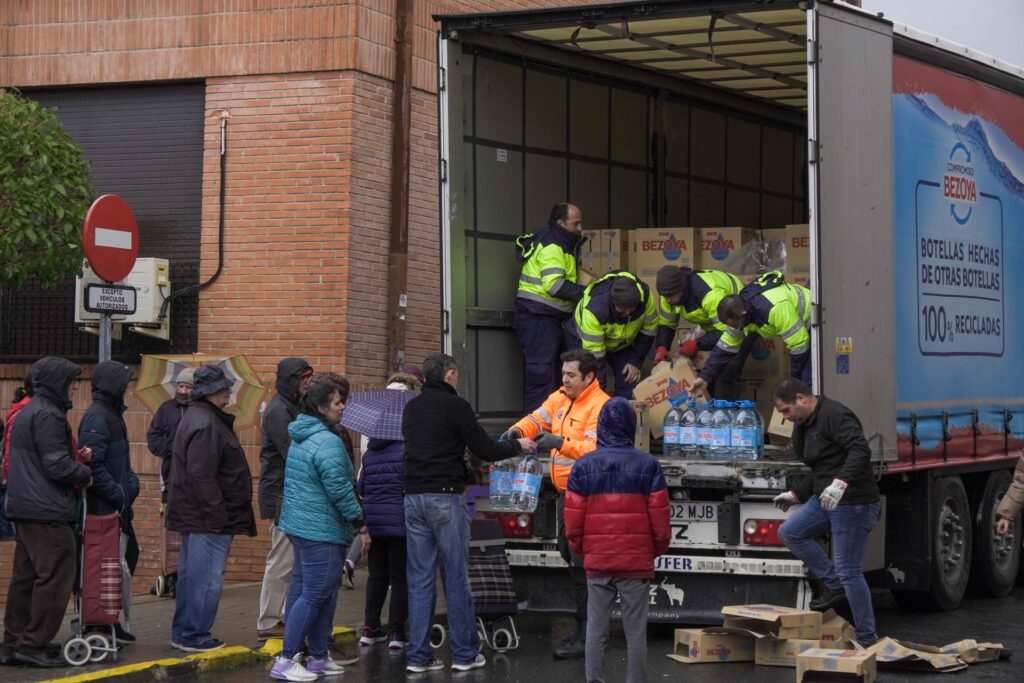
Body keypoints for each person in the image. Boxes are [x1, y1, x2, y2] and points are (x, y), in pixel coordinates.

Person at [401, 353, 536, 673]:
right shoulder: (456, 407)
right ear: (449, 374)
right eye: (456, 374)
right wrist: (520, 446)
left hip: (412, 497)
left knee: (419, 580)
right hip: (445, 498)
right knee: (457, 576)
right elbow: (485, 450)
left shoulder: (411, 407)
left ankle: (418, 657)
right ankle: (464, 654)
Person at [501, 349, 609, 658]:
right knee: (569, 554)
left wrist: (561, 443)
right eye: (563, 374)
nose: (565, 379)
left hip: (587, 496)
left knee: (581, 563)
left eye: (571, 375)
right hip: (567, 495)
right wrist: (519, 430)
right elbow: (537, 418)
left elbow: (594, 448)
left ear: (589, 377)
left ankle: (588, 633)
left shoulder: (600, 405)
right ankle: (588, 628)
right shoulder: (560, 398)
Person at [564, 397, 670, 683]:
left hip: (597, 561)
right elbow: (660, 519)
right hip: (635, 562)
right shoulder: (648, 465)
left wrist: (583, 551)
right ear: (630, 426)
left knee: (595, 631)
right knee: (636, 633)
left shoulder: (582, 467)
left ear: (601, 427)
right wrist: (654, 550)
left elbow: (572, 523)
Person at [771, 378, 880, 648]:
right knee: (790, 532)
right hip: (827, 498)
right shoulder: (803, 426)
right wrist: (796, 494)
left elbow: (860, 449)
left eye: (786, 410)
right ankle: (834, 584)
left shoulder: (834, 414)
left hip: (854, 501)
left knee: (850, 571)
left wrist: (841, 482)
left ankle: (867, 639)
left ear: (801, 398)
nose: (785, 418)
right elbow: (820, 469)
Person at [1, 357, 93, 668]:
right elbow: (56, 465)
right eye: (70, 382)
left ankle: (14, 643)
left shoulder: (28, 411)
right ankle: (33, 643)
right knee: (55, 576)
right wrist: (84, 473)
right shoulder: (49, 415)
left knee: (26, 578)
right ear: (57, 383)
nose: (74, 388)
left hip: (26, 506)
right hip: (47, 508)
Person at [270, 383, 363, 682]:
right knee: (316, 593)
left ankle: (318, 657)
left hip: (301, 525)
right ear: (322, 408)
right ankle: (286, 660)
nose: (342, 406)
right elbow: (339, 488)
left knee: (311, 590)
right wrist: (358, 518)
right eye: (337, 402)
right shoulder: (327, 441)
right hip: (320, 528)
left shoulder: (302, 434)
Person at [166, 364, 257, 652]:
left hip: (197, 515)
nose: (229, 390)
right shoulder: (206, 423)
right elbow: (202, 475)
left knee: (192, 577)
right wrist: (217, 513)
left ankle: (185, 632)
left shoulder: (202, 418)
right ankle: (195, 635)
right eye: (223, 387)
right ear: (210, 392)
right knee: (205, 578)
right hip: (207, 518)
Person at [79, 360, 140, 642]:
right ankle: (99, 623)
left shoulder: (111, 414)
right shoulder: (98, 417)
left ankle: (109, 620)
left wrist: (130, 485)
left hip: (116, 507)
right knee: (105, 566)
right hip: (104, 508)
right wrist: (118, 494)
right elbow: (94, 465)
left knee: (124, 560)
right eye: (124, 383)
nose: (127, 388)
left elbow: (118, 463)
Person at [354, 373, 417, 650]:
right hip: (401, 523)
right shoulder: (407, 450)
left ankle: (370, 627)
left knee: (377, 575)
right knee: (400, 577)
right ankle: (395, 632)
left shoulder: (370, 454)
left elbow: (361, 486)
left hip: (376, 524)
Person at [257, 357, 313, 640]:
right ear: (290, 381)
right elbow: (292, 451)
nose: (307, 382)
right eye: (303, 378)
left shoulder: (291, 406)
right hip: (281, 494)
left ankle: (278, 616)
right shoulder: (280, 411)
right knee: (281, 558)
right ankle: (268, 620)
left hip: (285, 491)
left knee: (289, 559)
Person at [514, 202, 587, 413]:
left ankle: (549, 428)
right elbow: (555, 285)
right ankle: (535, 434)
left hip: (548, 319)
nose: (580, 228)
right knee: (542, 377)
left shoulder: (561, 243)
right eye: (576, 223)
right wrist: (586, 293)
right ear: (560, 223)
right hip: (538, 319)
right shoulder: (553, 245)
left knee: (555, 377)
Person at [690, 270, 811, 396]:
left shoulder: (773, 308)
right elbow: (724, 349)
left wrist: (795, 379)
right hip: (799, 329)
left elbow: (799, 345)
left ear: (743, 315)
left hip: (814, 320)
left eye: (734, 325)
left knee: (807, 382)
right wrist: (704, 378)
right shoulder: (739, 315)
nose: (733, 329)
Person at [653, 265, 753, 400]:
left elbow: (726, 332)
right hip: (717, 325)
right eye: (664, 296)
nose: (667, 300)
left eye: (670, 296)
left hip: (740, 318)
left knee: (727, 371)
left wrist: (697, 344)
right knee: (707, 372)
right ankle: (710, 410)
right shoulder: (668, 296)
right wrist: (662, 346)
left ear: (681, 289)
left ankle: (724, 415)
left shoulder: (710, 295)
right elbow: (667, 323)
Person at [567, 270, 657, 398]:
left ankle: (620, 413)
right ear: (613, 303)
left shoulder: (645, 297)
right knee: (590, 386)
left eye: (631, 311)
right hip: (585, 342)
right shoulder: (594, 310)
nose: (627, 314)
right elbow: (595, 358)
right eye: (622, 311)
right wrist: (599, 392)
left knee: (628, 380)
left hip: (620, 343)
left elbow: (649, 331)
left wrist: (635, 361)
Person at [147, 366, 194, 504]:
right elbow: (153, 439)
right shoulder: (166, 408)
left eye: (188, 387)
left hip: (194, 474)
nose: (184, 390)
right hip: (170, 473)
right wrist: (174, 447)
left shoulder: (199, 409)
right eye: (181, 386)